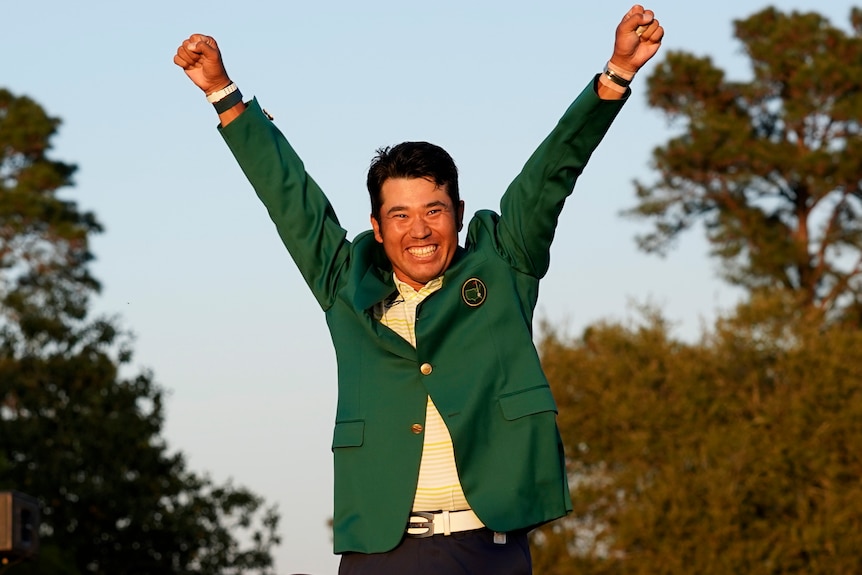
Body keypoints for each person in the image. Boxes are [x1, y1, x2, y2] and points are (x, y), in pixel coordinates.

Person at [174, 6, 663, 574]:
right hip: (382, 551)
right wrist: (224, 95)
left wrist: (616, 75)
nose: (420, 231)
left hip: (489, 549)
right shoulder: (343, 281)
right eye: (400, 216)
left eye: (434, 211)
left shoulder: (505, 264)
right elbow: (290, 198)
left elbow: (553, 170)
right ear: (378, 229)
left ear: (456, 213)